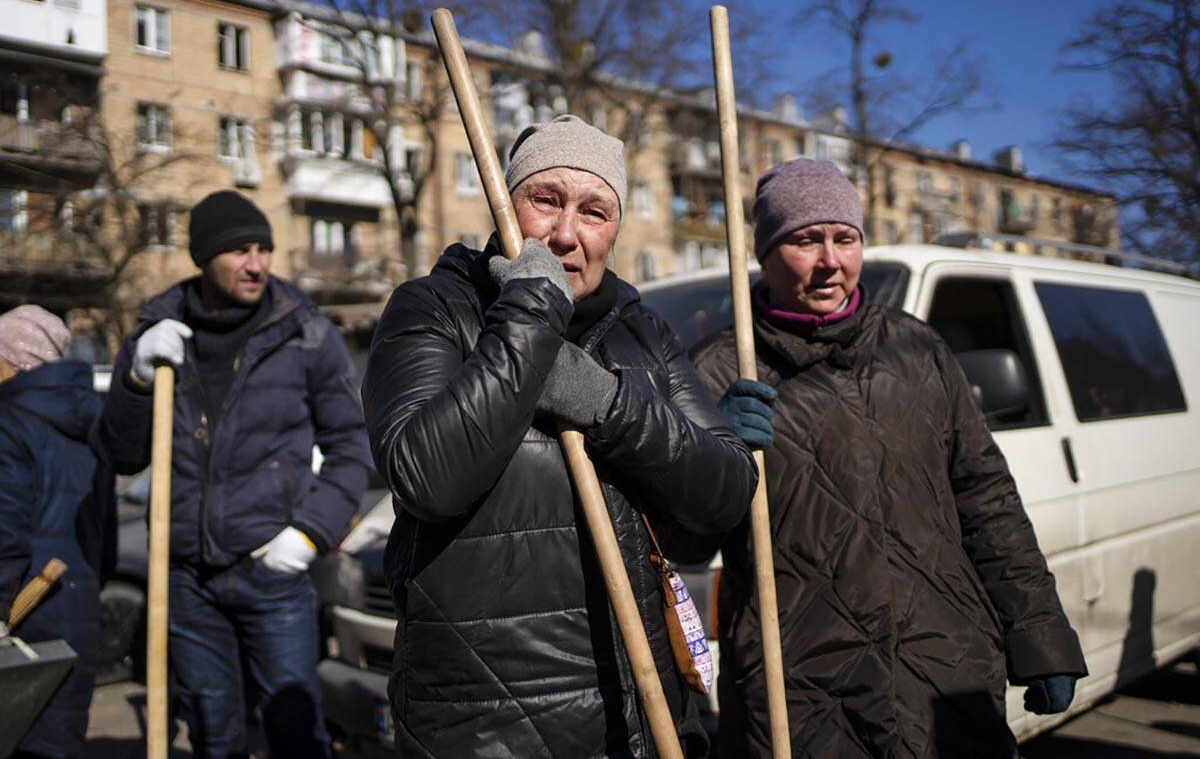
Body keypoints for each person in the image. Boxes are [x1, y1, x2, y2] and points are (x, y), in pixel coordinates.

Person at [362, 115, 758, 757]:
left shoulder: (643, 334)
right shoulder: (435, 309)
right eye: (545, 200)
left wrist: (605, 402)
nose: (567, 234)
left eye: (595, 211)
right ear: (505, 203)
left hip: (642, 720)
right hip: (488, 729)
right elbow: (425, 479)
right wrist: (529, 318)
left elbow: (723, 494)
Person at [690, 158, 1088, 758]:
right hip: (805, 696)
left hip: (944, 670)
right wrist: (709, 457)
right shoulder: (718, 372)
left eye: (844, 238)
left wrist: (1041, 636)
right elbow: (681, 545)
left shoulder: (916, 348)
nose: (830, 260)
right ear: (765, 252)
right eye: (804, 240)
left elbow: (987, 500)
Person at [90, 191, 371, 758]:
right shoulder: (157, 332)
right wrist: (138, 379)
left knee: (295, 731)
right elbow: (120, 454)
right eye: (240, 250)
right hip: (187, 578)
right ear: (203, 255)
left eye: (264, 249)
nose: (257, 264)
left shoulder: (306, 333)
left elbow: (351, 445)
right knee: (215, 734)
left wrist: (308, 534)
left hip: (271, 570)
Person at [0, 305, 115, 758]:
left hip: (21, 616)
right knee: (58, 741)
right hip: (75, 606)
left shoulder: (8, 423)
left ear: (17, 360)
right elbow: (103, 533)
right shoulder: (98, 424)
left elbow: (4, 526)